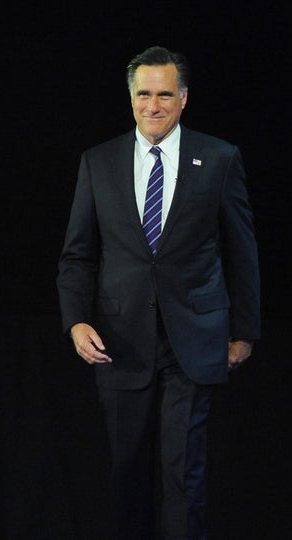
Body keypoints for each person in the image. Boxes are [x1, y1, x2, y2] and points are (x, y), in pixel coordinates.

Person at [56, 45, 260, 539]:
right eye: (144, 94)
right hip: (120, 343)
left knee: (182, 473)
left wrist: (244, 331)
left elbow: (242, 251)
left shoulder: (219, 158)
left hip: (194, 340)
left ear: (184, 98)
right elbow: (78, 255)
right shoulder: (98, 163)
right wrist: (76, 320)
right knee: (128, 473)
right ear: (131, 99)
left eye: (165, 94)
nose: (154, 105)